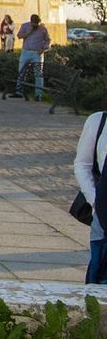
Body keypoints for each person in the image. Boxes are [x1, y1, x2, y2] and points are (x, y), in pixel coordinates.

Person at [74, 110, 107, 283]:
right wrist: (95, 201)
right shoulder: (98, 121)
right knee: (99, 279)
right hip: (103, 219)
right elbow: (82, 164)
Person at [12, 14, 51, 101]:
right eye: (33, 23)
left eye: (36, 23)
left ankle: (38, 95)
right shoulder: (25, 26)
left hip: (37, 53)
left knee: (38, 73)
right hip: (26, 52)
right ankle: (19, 91)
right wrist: (28, 32)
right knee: (21, 71)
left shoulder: (43, 29)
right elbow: (19, 36)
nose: (35, 25)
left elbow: (48, 40)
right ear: (31, 21)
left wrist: (44, 49)